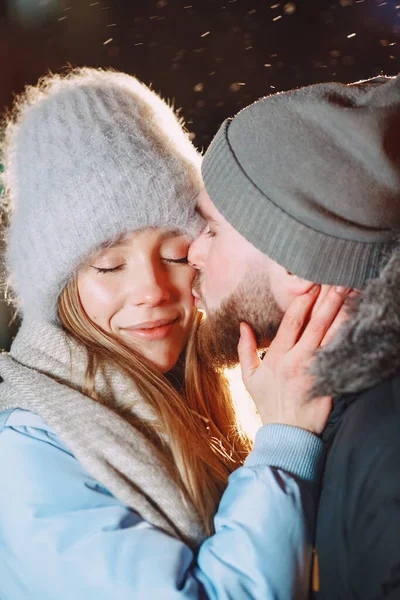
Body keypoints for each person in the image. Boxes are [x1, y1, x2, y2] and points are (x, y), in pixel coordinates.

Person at [0, 67, 344, 599]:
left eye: (175, 253)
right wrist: (284, 450)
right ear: (59, 288)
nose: (153, 290)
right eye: (110, 265)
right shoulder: (26, 454)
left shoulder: (230, 386)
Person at [188, 74, 400, 599]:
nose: (193, 252)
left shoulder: (386, 455)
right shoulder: (355, 419)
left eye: (212, 229)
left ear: (294, 262)